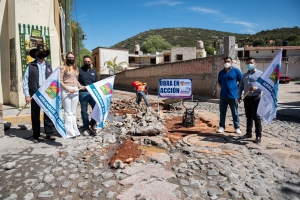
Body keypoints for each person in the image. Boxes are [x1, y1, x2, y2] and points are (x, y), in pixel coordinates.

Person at [22, 45, 55, 143]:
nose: (41, 54)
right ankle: (36, 135)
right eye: (38, 52)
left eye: (42, 52)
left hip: (46, 93)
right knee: (35, 115)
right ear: (35, 54)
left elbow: (52, 80)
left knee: (48, 114)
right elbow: (25, 81)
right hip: (35, 94)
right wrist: (27, 95)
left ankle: (49, 134)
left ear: (45, 54)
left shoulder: (48, 65)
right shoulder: (31, 66)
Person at [238, 57, 263, 143]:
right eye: (248, 63)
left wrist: (255, 88)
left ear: (255, 64)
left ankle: (258, 135)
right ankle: (248, 133)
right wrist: (239, 96)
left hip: (256, 98)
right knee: (248, 116)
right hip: (247, 98)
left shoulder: (260, 74)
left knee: (256, 117)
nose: (249, 65)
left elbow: (263, 86)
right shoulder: (244, 75)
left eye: (251, 63)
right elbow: (240, 86)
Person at [60, 52, 84, 138]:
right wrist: (68, 89)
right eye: (69, 57)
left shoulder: (76, 68)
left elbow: (76, 80)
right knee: (68, 112)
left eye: (72, 57)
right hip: (66, 90)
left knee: (73, 112)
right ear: (66, 58)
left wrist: (80, 86)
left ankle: (75, 130)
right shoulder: (62, 67)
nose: (71, 58)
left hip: (75, 90)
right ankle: (69, 132)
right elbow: (60, 81)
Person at [217, 57, 242, 134]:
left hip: (233, 96)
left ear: (231, 62)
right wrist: (225, 89)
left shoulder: (236, 71)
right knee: (222, 112)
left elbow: (241, 82)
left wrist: (237, 91)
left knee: (235, 112)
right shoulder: (221, 73)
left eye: (228, 61)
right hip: (223, 95)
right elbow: (219, 83)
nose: (226, 63)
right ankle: (222, 126)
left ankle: (237, 127)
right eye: (225, 61)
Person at [78, 55, 98, 136]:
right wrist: (80, 87)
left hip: (93, 94)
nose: (87, 63)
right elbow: (75, 80)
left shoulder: (94, 72)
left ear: (91, 62)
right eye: (85, 61)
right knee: (84, 111)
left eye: (88, 62)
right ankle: (86, 127)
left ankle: (92, 123)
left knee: (96, 109)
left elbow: (97, 83)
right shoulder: (79, 70)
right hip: (83, 94)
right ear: (83, 62)